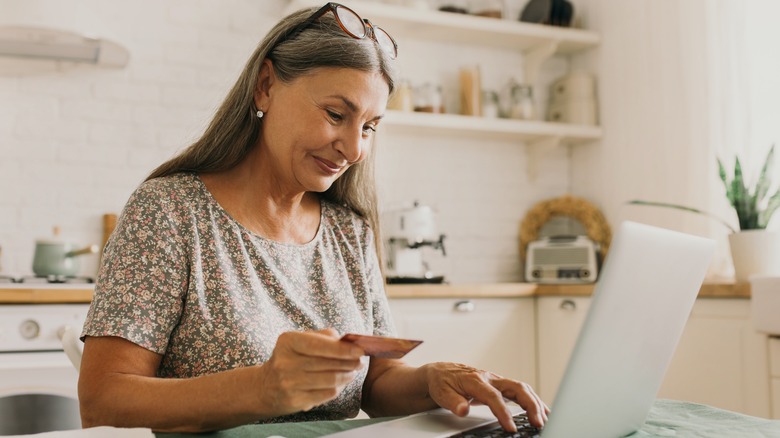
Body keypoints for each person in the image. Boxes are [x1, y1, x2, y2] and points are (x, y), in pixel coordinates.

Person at [78, 2, 548, 434]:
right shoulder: (169, 212)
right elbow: (103, 402)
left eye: (368, 126)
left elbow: (375, 384)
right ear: (266, 86)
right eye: (335, 113)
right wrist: (262, 388)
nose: (355, 147)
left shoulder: (348, 230)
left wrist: (435, 380)